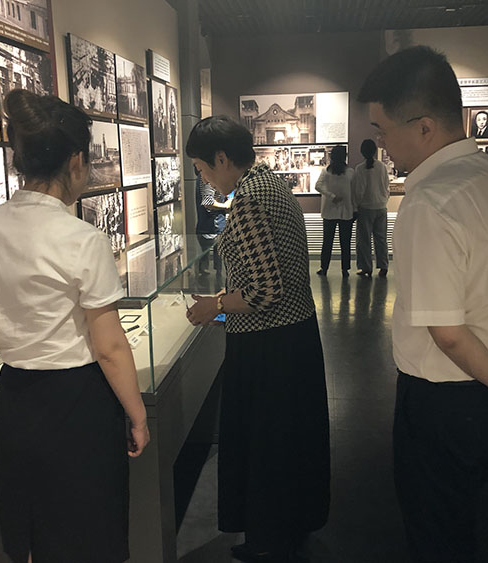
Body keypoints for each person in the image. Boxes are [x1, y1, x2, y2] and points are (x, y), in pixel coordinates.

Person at [358, 46, 488, 563]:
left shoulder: (429, 202)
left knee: (437, 533)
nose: (382, 145)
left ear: (424, 127)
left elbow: (446, 333)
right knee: (464, 516)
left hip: (447, 403)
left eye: (383, 131)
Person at [0, 90, 149, 563]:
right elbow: (109, 347)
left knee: (31, 526)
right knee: (87, 528)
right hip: (78, 401)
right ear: (76, 161)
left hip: (14, 395)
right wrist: (137, 414)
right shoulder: (82, 238)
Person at [184, 116, 330, 563]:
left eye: (202, 170)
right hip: (293, 336)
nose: (205, 179)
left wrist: (215, 305)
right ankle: (287, 528)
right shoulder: (270, 184)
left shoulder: (249, 199)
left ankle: (269, 538)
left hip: (268, 346)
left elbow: (265, 291)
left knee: (267, 444)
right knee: (289, 441)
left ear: (221, 158)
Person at [315, 145, 355, 277]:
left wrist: (331, 196)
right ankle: (345, 269)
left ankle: (324, 267)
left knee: (327, 242)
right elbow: (354, 192)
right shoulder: (350, 172)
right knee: (345, 242)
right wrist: (355, 209)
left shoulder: (326, 172)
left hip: (329, 211)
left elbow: (318, 186)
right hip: (346, 211)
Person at [353, 139, 389, 277]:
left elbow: (359, 190)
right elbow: (386, 186)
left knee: (364, 240)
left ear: (362, 152)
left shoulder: (360, 168)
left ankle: (366, 267)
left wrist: (356, 205)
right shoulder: (382, 167)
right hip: (381, 207)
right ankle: (383, 266)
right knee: (381, 238)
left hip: (366, 208)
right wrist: (384, 199)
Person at [195, 173, 229, 276]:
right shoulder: (207, 176)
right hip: (211, 226)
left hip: (212, 225)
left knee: (217, 269)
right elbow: (208, 202)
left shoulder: (209, 176)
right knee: (212, 272)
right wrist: (226, 206)